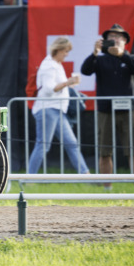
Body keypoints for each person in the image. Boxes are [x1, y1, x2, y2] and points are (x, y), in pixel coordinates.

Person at [80, 24, 134, 186]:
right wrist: (94, 53)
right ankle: (107, 186)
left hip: (127, 110)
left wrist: (122, 55)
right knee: (105, 151)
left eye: (118, 37)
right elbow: (85, 70)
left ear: (125, 41)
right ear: (105, 41)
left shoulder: (131, 58)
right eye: (111, 37)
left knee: (133, 149)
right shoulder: (100, 60)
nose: (114, 40)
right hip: (105, 111)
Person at [28, 37, 89, 174]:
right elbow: (50, 89)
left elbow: (56, 87)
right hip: (48, 109)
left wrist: (67, 84)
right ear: (59, 50)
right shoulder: (49, 65)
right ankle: (28, 178)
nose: (67, 54)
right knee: (43, 145)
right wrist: (68, 82)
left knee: (71, 143)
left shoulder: (56, 64)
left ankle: (85, 174)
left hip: (57, 110)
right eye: (66, 51)